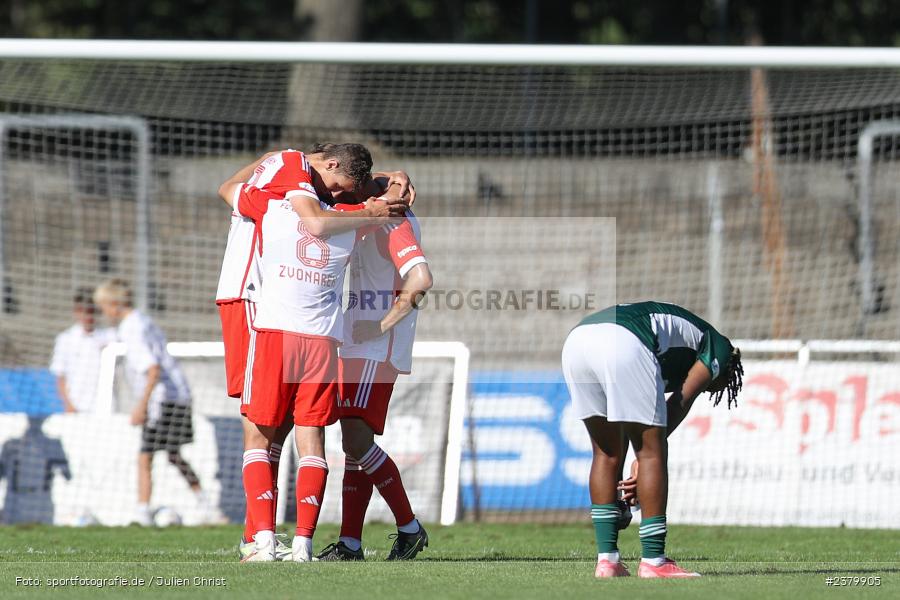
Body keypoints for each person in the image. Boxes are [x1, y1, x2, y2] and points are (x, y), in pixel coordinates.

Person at [215, 149, 415, 561]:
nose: (333, 192)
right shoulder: (350, 220)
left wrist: (278, 159)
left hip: (267, 320)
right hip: (324, 338)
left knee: (262, 432)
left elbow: (230, 189)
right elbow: (332, 214)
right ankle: (300, 542)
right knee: (311, 438)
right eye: (336, 186)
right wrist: (382, 195)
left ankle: (261, 540)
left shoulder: (276, 206)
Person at [561, 301, 743, 578]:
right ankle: (654, 562)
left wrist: (638, 463)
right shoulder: (719, 347)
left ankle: (607, 561)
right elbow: (680, 401)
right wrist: (642, 461)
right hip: (624, 342)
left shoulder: (682, 344)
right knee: (653, 452)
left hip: (577, 342)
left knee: (605, 453)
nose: (715, 390)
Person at [316, 176, 433, 561]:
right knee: (354, 448)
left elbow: (421, 279)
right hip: (362, 344)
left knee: (355, 441)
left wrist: (380, 325)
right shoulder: (377, 215)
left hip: (374, 348)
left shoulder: (392, 222)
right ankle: (350, 544)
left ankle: (409, 527)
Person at [93, 278, 217, 526]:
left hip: (163, 400)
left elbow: (152, 369)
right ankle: (206, 505)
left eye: (104, 306)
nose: (103, 312)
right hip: (177, 395)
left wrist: (141, 406)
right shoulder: (141, 320)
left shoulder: (131, 328)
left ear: (114, 304)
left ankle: (142, 512)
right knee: (173, 454)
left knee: (144, 456)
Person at [49, 288, 116, 413]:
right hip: (77, 407)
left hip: (106, 407)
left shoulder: (110, 336)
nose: (87, 316)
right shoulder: (65, 339)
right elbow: (60, 377)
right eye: (82, 311)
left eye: (91, 311)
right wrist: (68, 405)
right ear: (76, 311)